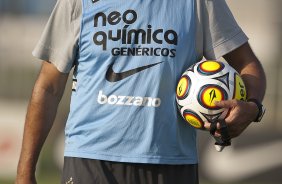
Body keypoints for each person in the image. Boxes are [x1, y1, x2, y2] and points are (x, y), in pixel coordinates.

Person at [16, 0, 266, 183]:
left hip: (170, 164)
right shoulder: (77, 2)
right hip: (90, 161)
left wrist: (252, 107)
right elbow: (48, 86)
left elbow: (247, 64)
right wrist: (25, 173)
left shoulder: (199, 2)